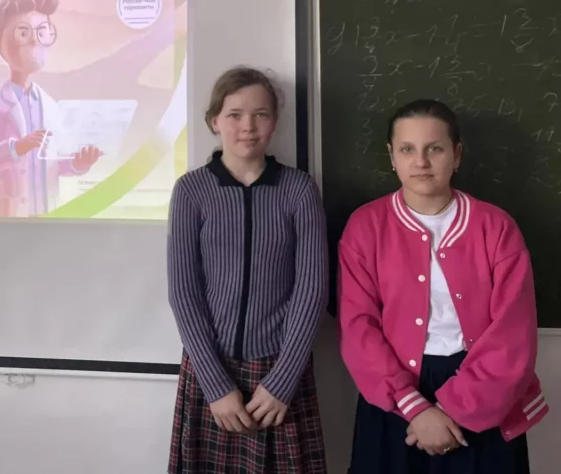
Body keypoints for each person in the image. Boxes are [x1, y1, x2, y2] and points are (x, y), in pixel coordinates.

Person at [338, 99, 547, 474]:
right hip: (396, 395)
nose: (420, 161)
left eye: (434, 148)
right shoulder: (365, 227)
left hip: (483, 393)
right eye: (407, 149)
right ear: (392, 156)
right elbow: (358, 328)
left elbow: (513, 333)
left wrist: (453, 410)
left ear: (457, 154)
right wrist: (415, 408)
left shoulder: (496, 227)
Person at [167, 66, 328, 474]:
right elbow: (184, 294)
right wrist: (216, 385)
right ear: (214, 121)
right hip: (211, 371)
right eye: (235, 114)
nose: (248, 127)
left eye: (261, 114)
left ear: (274, 121)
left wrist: (282, 382)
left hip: (279, 372)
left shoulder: (299, 190)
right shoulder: (191, 191)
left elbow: (311, 291)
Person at [0, 0, 101, 217]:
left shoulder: (50, 106)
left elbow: (54, 163)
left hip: (47, 218)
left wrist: (78, 164)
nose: (35, 42)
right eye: (23, 33)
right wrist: (17, 148)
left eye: (43, 32)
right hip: (8, 217)